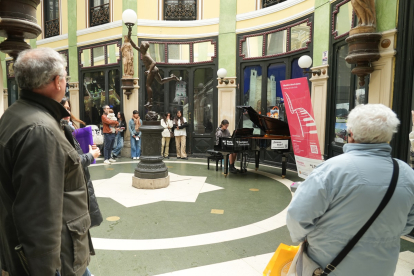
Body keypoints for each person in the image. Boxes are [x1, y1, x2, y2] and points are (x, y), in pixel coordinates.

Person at [286, 104, 414, 276]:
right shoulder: (406, 173)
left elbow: (298, 216)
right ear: (389, 136)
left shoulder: (331, 170)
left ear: (351, 134)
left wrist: (305, 237)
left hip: (327, 265)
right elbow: (408, 223)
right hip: (382, 266)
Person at [0, 47, 93, 276]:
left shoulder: (15, 114)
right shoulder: (41, 130)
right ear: (56, 81)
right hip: (58, 260)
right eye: (65, 77)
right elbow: (40, 217)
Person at [61, 98, 103, 276]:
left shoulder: (68, 130)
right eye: (65, 108)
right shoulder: (59, 131)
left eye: (69, 108)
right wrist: (90, 155)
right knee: (73, 248)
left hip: (78, 188)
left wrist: (89, 151)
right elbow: (71, 163)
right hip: (71, 196)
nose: (68, 113)